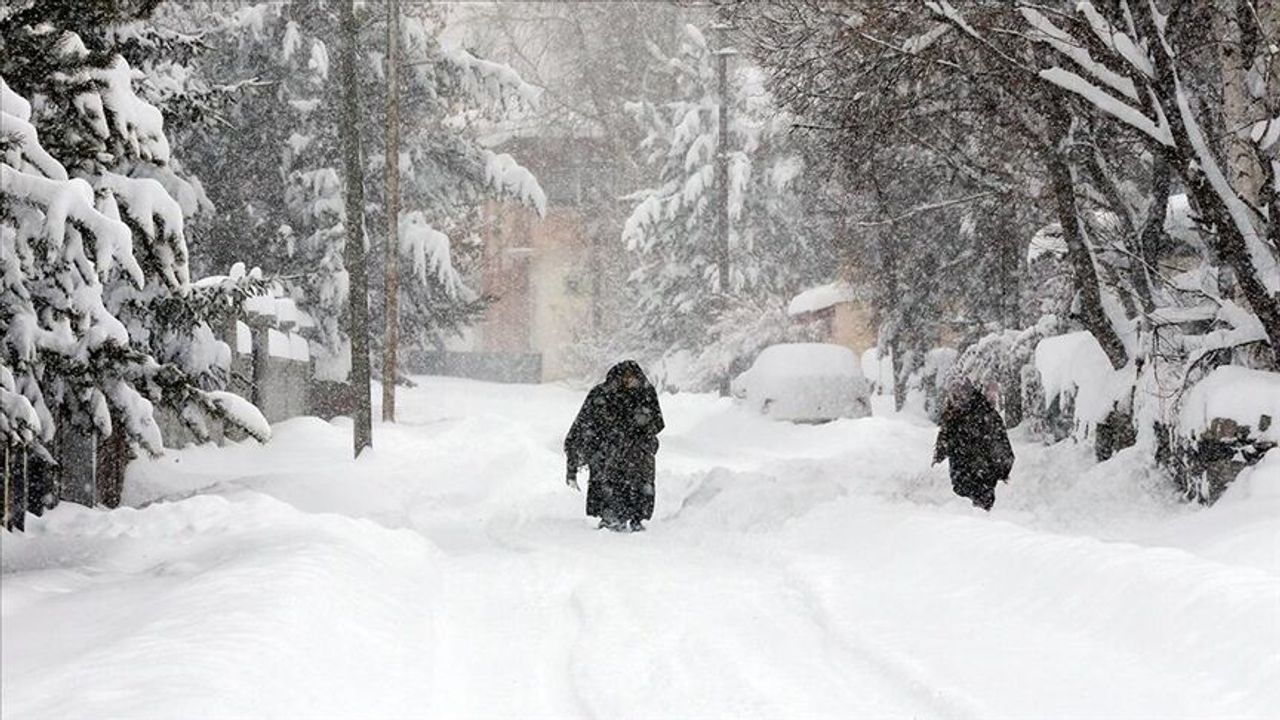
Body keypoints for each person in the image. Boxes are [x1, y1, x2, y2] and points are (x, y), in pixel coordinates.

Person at [565, 361, 665, 532]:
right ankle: (609, 515)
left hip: (637, 450)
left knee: (639, 484)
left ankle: (637, 517)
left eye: (632, 377)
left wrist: (641, 425)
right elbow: (584, 422)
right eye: (624, 377)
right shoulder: (601, 394)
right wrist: (576, 453)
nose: (628, 381)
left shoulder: (645, 393)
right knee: (608, 482)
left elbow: (658, 422)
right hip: (606, 449)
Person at [933, 380, 1014, 511]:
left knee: (977, 511)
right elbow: (944, 438)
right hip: (965, 476)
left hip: (980, 476)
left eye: (960, 393)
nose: (958, 397)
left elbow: (1000, 445)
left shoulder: (984, 413)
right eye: (955, 394)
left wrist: (1002, 469)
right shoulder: (955, 413)